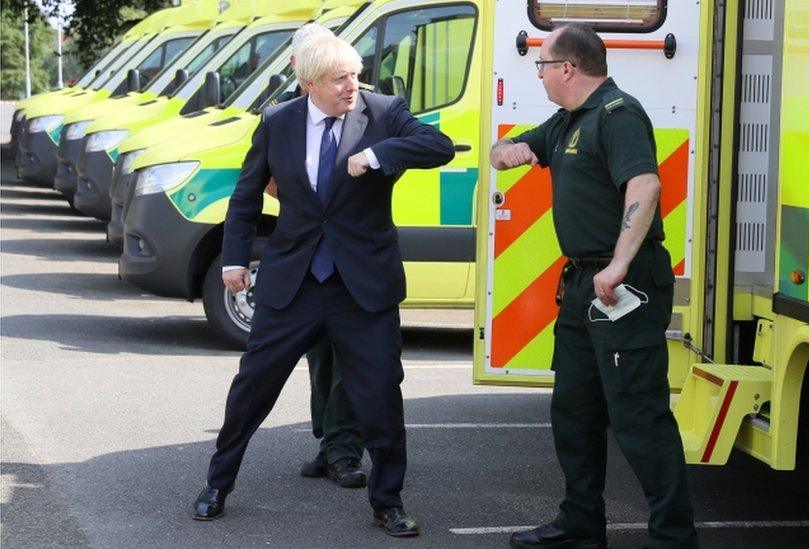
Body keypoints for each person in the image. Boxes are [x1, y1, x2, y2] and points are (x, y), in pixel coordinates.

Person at [191, 32, 455, 538]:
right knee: (253, 387)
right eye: (339, 79)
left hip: (362, 287)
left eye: (355, 74)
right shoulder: (277, 122)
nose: (351, 86)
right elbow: (246, 197)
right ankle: (217, 485)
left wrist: (378, 155)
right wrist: (232, 261)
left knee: (379, 393)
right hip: (294, 283)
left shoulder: (383, 111)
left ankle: (388, 501)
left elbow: (437, 147)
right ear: (308, 82)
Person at [490, 23, 698, 549]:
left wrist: (619, 264)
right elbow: (503, 152)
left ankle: (674, 538)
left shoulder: (617, 114)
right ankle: (581, 523)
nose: (537, 75)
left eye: (541, 65)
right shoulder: (566, 123)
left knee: (638, 414)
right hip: (584, 282)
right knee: (574, 409)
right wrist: (508, 151)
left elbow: (646, 184)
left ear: (567, 68)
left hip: (622, 282)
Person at [265, 22, 367, 489]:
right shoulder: (281, 117)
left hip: (353, 261)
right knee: (319, 359)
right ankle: (328, 442)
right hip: (308, 263)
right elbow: (265, 179)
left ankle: (345, 451)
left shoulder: (362, 108)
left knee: (349, 361)